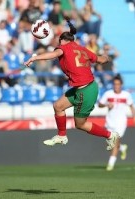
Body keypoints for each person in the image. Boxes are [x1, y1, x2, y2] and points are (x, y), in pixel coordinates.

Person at [24, 18, 120, 150]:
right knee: (58, 106)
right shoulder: (82, 49)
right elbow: (101, 59)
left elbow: (53, 54)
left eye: (59, 43)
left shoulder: (63, 47)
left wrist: (35, 57)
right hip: (83, 87)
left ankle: (110, 135)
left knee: (80, 124)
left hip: (86, 91)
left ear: (63, 41)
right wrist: (107, 56)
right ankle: (62, 136)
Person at [98, 74, 135, 171]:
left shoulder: (126, 95)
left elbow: (131, 106)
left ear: (121, 85)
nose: (116, 86)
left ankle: (110, 164)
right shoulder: (108, 94)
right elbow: (100, 104)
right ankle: (122, 148)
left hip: (121, 122)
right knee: (111, 142)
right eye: (115, 84)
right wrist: (107, 105)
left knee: (115, 142)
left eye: (118, 84)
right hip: (109, 122)